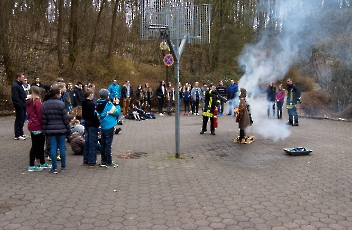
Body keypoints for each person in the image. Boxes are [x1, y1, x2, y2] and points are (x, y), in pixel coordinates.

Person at [42, 87, 71, 174]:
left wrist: (44, 130)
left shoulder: (45, 104)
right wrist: (68, 130)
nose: (61, 94)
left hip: (50, 129)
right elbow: (65, 119)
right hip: (61, 128)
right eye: (60, 93)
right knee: (62, 147)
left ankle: (54, 167)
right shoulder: (61, 104)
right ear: (56, 94)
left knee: (53, 147)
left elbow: (44, 119)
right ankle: (63, 166)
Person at [26, 86, 52, 171]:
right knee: (37, 146)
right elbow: (40, 114)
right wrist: (44, 123)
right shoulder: (37, 102)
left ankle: (42, 163)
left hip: (32, 125)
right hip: (38, 125)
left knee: (37, 145)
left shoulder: (29, 101)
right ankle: (32, 165)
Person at [96, 89, 121, 167]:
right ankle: (109, 161)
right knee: (108, 144)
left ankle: (103, 161)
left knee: (103, 143)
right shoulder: (108, 104)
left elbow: (96, 112)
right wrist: (117, 104)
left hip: (103, 124)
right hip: (109, 125)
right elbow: (117, 112)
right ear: (107, 95)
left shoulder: (97, 103)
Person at [82, 88, 100, 167]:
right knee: (93, 142)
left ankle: (86, 159)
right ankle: (92, 161)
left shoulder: (83, 103)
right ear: (90, 95)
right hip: (92, 124)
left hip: (87, 123)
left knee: (87, 142)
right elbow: (94, 115)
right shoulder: (92, 104)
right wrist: (98, 123)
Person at [11, 73, 27, 140]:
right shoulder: (15, 86)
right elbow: (15, 97)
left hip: (23, 105)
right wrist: (19, 105)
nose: (23, 79)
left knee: (22, 119)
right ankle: (17, 134)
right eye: (22, 77)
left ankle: (21, 133)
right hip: (19, 106)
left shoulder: (20, 85)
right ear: (18, 77)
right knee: (19, 120)